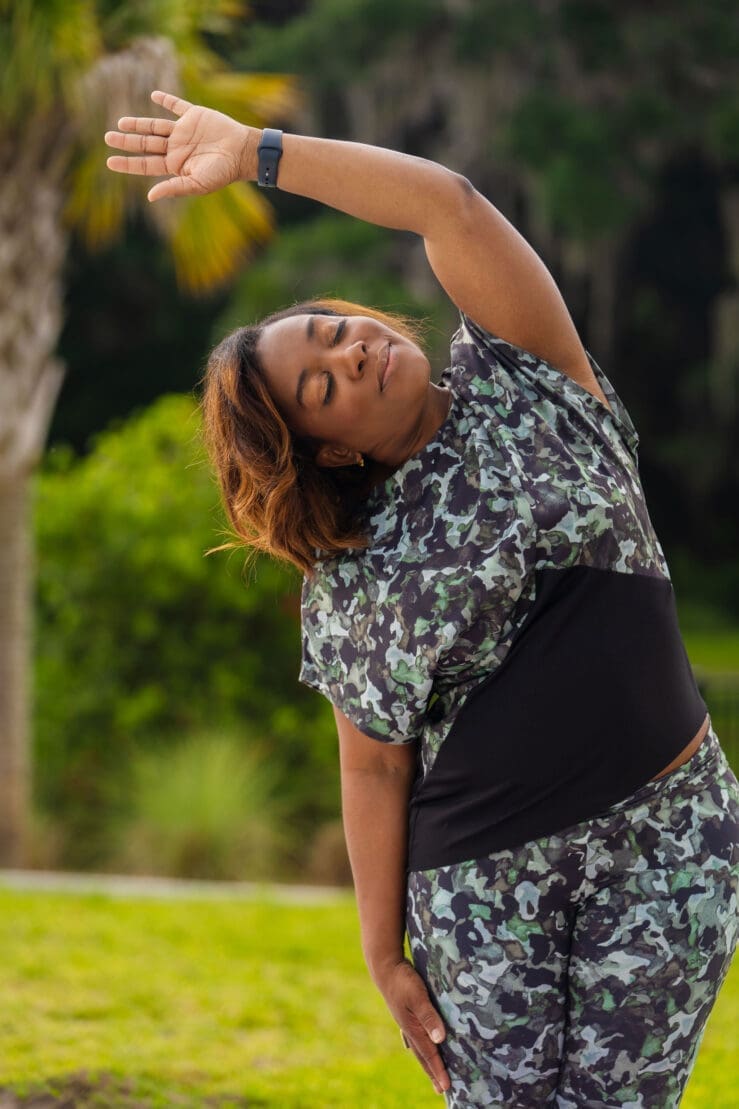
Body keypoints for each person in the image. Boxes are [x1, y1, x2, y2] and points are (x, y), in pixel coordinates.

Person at [106, 91, 739, 1106]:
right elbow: (370, 766)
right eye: (321, 386)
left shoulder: (525, 378)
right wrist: (380, 949)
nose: (346, 352)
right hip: (486, 887)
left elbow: (449, 205)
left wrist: (257, 152)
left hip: (670, 838)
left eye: (328, 331)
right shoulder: (352, 571)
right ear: (333, 449)